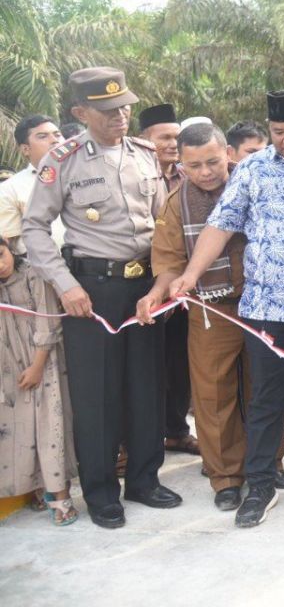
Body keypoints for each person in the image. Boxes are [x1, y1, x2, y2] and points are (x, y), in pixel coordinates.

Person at [169, 88, 284, 528]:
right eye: (278, 132)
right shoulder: (252, 170)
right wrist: (190, 275)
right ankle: (261, 483)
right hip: (266, 309)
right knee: (265, 401)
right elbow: (221, 226)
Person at [24, 66, 180, 529]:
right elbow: (34, 227)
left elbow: (163, 223)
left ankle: (144, 479)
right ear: (80, 112)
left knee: (146, 385)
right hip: (91, 290)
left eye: (125, 106)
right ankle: (100, 492)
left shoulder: (146, 155)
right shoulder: (63, 160)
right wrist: (65, 285)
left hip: (144, 287)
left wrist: (161, 284)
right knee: (97, 396)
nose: (121, 116)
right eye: (108, 110)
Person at [135, 123, 284, 511]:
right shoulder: (177, 202)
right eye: (194, 165)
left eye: (212, 161)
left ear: (227, 152)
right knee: (213, 395)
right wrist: (158, 291)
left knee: (266, 389)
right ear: (182, 164)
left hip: (263, 306)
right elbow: (168, 259)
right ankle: (225, 477)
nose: (206, 172)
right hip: (210, 310)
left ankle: (270, 464)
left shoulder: (256, 186)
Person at [0, 237, 77, 525]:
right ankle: (35, 487)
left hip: (42, 364)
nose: (0, 265)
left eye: (1, 255)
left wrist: (36, 366)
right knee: (17, 430)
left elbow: (48, 323)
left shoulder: (34, 274)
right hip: (8, 368)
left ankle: (60, 497)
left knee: (50, 427)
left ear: (8, 246)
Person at [139, 103, 198, 457]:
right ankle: (137, 442)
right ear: (145, 140)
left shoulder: (188, 175)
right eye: (164, 137)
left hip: (183, 283)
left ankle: (176, 430)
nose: (173, 144)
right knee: (144, 364)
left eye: (177, 137)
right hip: (140, 280)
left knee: (179, 361)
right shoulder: (133, 174)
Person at [0, 115, 65, 253]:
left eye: (57, 135)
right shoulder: (11, 189)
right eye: (42, 136)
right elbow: (9, 247)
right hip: (40, 271)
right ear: (25, 149)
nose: (54, 140)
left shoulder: (89, 174)